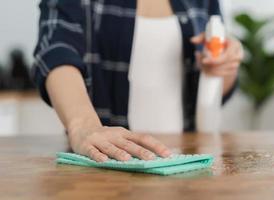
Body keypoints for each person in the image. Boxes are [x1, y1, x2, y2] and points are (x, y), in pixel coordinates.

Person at [32, 0, 243, 162]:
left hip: (185, 165)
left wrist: (225, 64)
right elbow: (56, 51)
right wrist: (83, 126)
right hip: (105, 163)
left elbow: (216, 91)